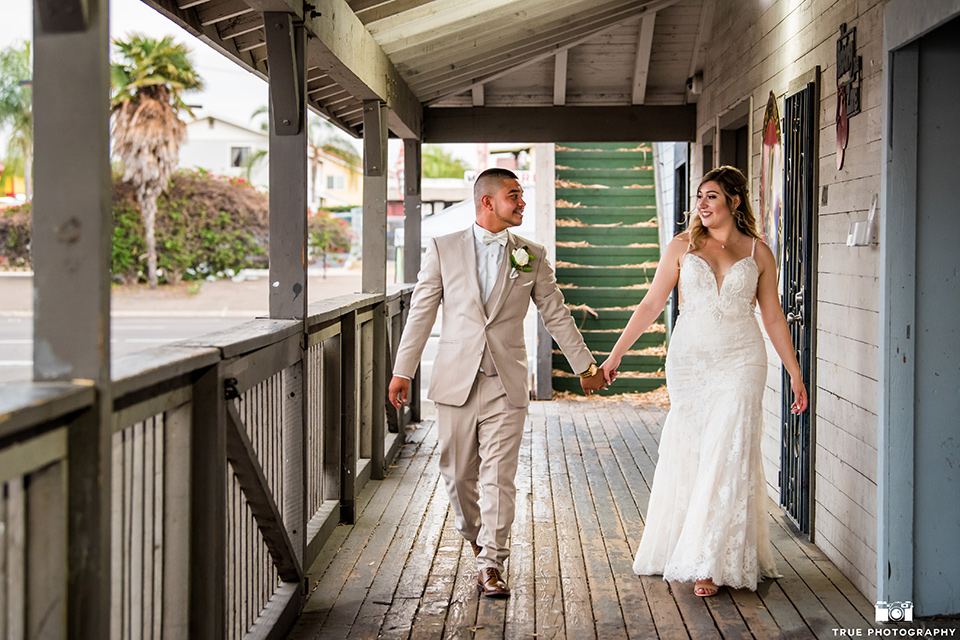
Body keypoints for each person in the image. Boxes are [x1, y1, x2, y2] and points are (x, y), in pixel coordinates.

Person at [389, 168, 607, 598]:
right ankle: (476, 536)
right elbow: (421, 312)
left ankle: (491, 561)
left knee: (499, 476)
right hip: (456, 380)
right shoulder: (442, 248)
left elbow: (556, 313)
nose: (522, 203)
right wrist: (403, 370)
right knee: (455, 474)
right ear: (487, 202)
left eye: (522, 195)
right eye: (514, 196)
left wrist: (586, 366)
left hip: (506, 382)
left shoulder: (532, 254)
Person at [599, 165, 808, 597]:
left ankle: (710, 561)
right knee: (695, 448)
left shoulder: (758, 253)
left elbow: (772, 316)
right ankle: (690, 544)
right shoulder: (682, 245)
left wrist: (794, 371)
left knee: (727, 450)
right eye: (699, 196)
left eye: (711, 196)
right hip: (691, 361)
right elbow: (653, 302)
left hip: (742, 360)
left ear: (734, 200)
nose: (701, 204)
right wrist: (617, 352)